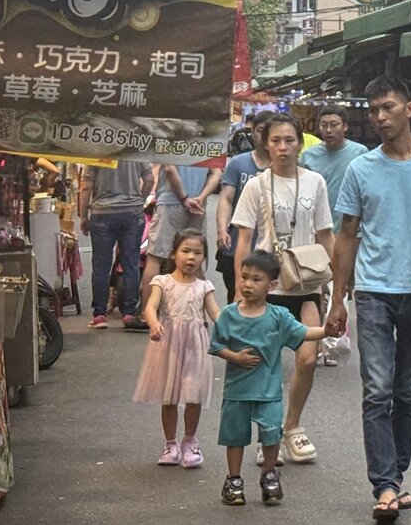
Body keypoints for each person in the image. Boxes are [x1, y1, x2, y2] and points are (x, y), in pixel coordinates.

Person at [326, 75, 411, 524]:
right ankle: (384, 485)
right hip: (374, 290)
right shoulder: (361, 168)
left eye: (387, 107)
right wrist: (338, 298)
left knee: (408, 392)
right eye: (372, 110)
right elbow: (347, 235)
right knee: (377, 389)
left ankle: (394, 477)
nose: (379, 117)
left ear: (410, 108)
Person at [232, 116, 333, 466]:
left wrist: (335, 285)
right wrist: (240, 288)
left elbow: (325, 234)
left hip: (306, 283)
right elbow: (243, 239)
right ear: (266, 144)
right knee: (266, 364)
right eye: (276, 141)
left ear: (299, 144)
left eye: (290, 140)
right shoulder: (257, 185)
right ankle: (269, 432)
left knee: (307, 359)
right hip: (268, 285)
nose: (283, 148)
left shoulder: (315, 182)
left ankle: (292, 425)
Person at [209, 250, 326, 506]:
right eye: (244, 278)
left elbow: (303, 332)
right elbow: (216, 345)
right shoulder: (228, 315)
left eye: (256, 279)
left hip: (269, 393)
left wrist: (327, 330)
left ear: (272, 285)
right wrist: (235, 357)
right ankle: (234, 479)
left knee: (271, 437)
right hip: (236, 391)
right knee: (235, 437)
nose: (247, 284)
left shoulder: (279, 316)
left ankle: (269, 475)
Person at [133, 231, 220, 468]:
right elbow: (150, 307)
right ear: (173, 253)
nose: (191, 257)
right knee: (169, 397)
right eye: (185, 251)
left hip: (195, 347)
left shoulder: (205, 286)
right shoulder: (162, 282)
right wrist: (154, 323)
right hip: (168, 345)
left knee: (194, 395)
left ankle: (189, 441)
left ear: (204, 258)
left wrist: (237, 329)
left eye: (197, 253)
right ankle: (170, 443)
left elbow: (217, 315)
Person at [301, 103, 368, 365]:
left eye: (334, 125)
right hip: (315, 233)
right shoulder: (310, 156)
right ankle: (317, 343)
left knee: (342, 287)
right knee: (317, 288)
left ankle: (332, 343)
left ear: (345, 126)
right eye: (324, 125)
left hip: (348, 232)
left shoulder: (359, 153)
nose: (329, 130)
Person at [205, 110, 277, 300]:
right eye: (260, 130)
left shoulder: (282, 167)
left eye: (270, 131)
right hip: (238, 240)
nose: (264, 135)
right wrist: (222, 229)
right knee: (236, 293)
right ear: (252, 132)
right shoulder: (238, 164)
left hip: (271, 243)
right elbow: (226, 199)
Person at [79, 159, 152, 331]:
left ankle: (99, 315)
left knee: (101, 265)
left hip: (102, 212)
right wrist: (138, 200)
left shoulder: (97, 149)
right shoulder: (135, 146)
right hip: (132, 213)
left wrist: (83, 216)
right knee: (131, 263)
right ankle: (128, 313)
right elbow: (149, 179)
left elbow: (86, 186)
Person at [142, 164, 211, 287]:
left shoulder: (170, 142)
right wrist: (201, 197)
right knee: (196, 255)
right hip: (199, 205)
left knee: (155, 257)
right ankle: (196, 303)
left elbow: (169, 168)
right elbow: (216, 172)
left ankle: (148, 305)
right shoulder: (214, 143)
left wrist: (184, 198)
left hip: (170, 201)